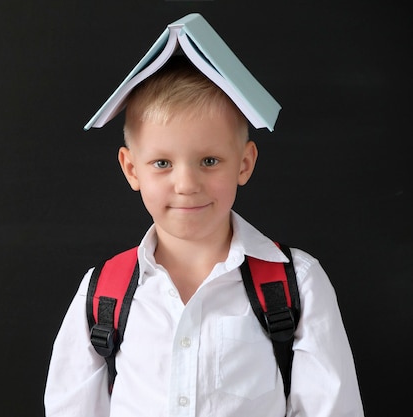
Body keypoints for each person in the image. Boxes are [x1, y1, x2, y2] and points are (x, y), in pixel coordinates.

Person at [44, 50, 364, 417]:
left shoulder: (298, 284)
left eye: (209, 161)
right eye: (161, 163)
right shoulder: (103, 292)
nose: (186, 184)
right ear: (132, 169)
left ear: (244, 163)